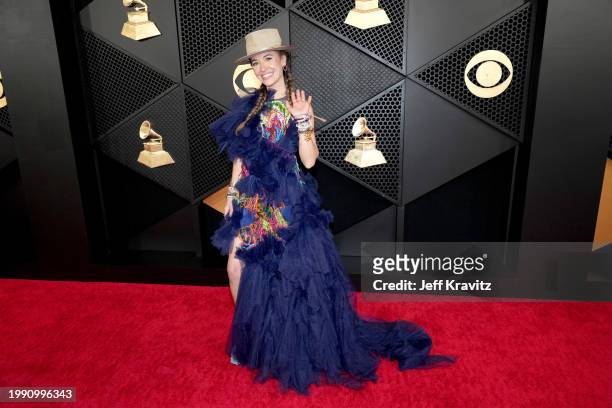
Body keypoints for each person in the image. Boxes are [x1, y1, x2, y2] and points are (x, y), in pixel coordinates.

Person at [208, 28, 455, 396]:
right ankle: (249, 338)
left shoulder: (298, 104)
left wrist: (304, 123)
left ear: (283, 61)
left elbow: (309, 161)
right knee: (235, 268)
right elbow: (241, 156)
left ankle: (282, 343)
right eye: (256, 62)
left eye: (268, 59)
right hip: (253, 199)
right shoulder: (251, 107)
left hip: (286, 202)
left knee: (284, 278)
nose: (262, 68)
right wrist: (232, 192)